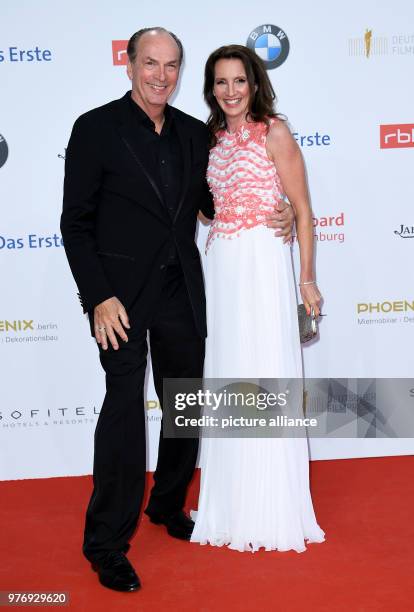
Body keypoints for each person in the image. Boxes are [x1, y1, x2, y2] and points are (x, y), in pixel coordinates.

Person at [60, 29, 295, 591]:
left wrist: (281, 209)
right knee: (122, 412)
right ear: (130, 65)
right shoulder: (95, 128)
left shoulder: (195, 133)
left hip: (183, 291)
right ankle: (107, 543)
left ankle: (167, 506)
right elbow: (75, 223)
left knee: (184, 407)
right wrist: (97, 295)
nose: (160, 76)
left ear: (180, 72)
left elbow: (218, 202)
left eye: (171, 66)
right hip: (118, 297)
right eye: (150, 64)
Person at [190, 45, 325, 552]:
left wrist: (306, 280)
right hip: (222, 263)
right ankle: (231, 503)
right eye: (221, 82)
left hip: (265, 263)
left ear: (254, 83)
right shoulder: (207, 139)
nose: (230, 91)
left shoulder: (275, 131)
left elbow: (305, 210)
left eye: (239, 81)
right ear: (211, 88)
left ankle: (272, 506)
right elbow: (207, 208)